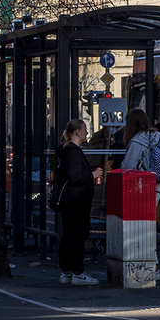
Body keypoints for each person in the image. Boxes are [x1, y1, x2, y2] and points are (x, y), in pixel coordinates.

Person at [54, 119, 103, 285]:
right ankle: (77, 272)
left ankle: (67, 271)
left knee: (69, 235)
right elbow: (75, 176)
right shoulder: (73, 152)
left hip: (70, 200)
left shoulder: (67, 151)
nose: (87, 133)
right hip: (77, 199)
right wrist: (92, 176)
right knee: (77, 235)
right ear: (77, 132)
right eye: (84, 130)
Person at [119, 110, 160, 208]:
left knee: (140, 217)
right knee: (149, 216)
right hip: (159, 184)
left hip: (143, 185)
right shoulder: (157, 136)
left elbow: (128, 166)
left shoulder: (137, 141)